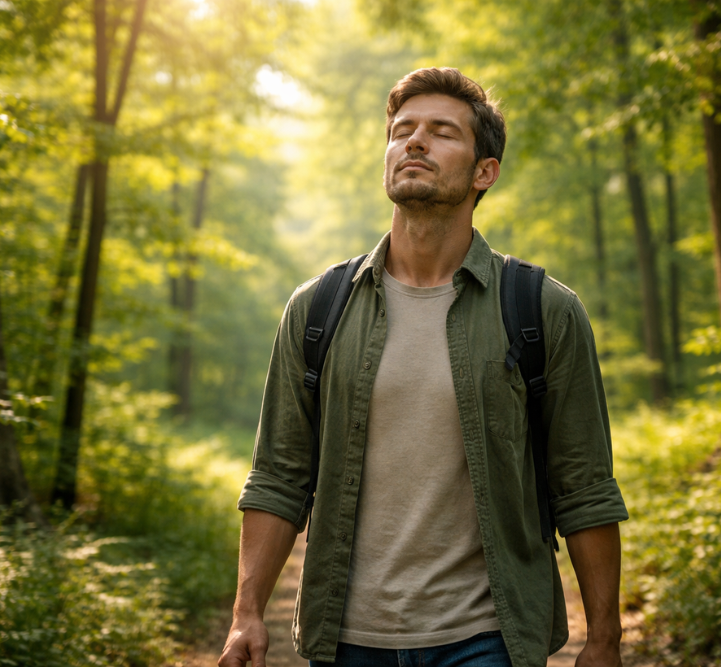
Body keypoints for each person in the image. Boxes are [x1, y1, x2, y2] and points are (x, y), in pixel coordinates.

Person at [218, 67, 628, 667]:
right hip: (348, 639)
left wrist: (605, 639)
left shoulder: (542, 309)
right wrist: (246, 613)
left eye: (441, 132)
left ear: (484, 171)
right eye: (402, 130)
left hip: (488, 637)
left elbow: (584, 486)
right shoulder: (318, 308)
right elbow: (279, 476)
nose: (414, 142)